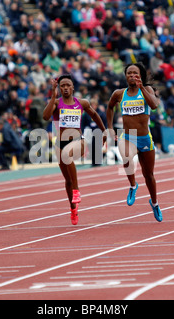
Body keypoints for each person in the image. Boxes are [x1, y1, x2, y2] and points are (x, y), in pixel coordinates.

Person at [42, 74, 106, 225]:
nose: (65, 88)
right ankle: (72, 209)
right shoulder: (57, 103)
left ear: (72, 88)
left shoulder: (81, 103)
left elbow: (95, 115)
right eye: (62, 85)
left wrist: (104, 131)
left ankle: (77, 191)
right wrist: (53, 95)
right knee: (67, 181)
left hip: (78, 140)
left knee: (67, 155)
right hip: (60, 143)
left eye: (67, 85)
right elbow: (45, 117)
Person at [106, 62, 163, 222]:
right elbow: (110, 107)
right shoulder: (119, 94)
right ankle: (132, 185)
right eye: (129, 73)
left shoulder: (147, 90)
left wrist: (142, 87)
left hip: (145, 138)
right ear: (125, 76)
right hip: (128, 136)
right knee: (125, 156)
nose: (132, 76)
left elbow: (153, 105)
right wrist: (110, 127)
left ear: (140, 76)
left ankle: (155, 202)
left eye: (135, 73)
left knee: (149, 175)